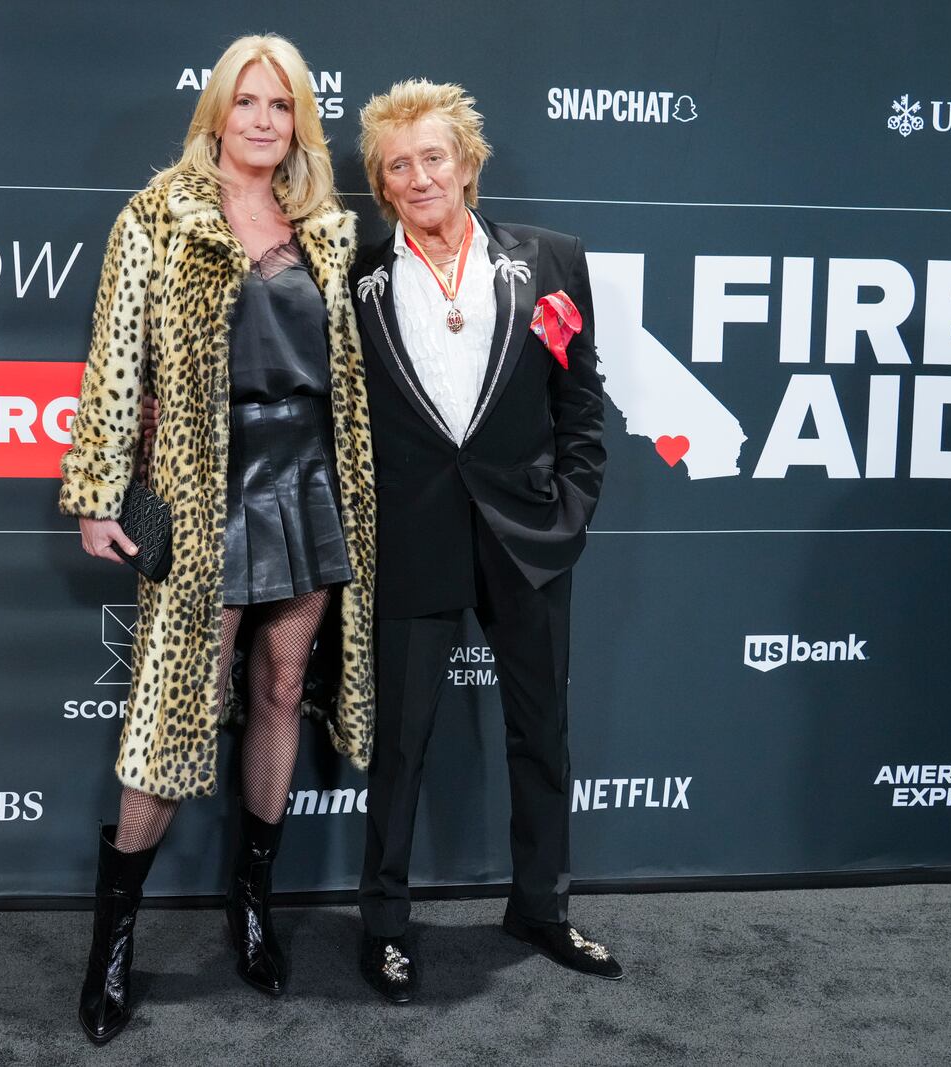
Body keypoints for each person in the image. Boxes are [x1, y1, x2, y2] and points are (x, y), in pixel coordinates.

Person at [58, 34, 375, 1045]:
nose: (260, 120)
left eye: (278, 105)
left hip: (309, 475)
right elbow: (114, 361)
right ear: (215, 113)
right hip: (205, 485)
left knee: (282, 685)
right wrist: (98, 489)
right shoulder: (154, 216)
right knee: (173, 707)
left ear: (298, 121)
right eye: (244, 101)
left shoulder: (326, 227)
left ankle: (251, 902)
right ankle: (114, 937)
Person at [349, 79, 619, 1003]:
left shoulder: (550, 259)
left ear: (466, 162)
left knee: (542, 733)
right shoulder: (355, 277)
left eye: (433, 157)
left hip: (528, 536)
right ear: (383, 186)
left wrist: (572, 507)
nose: (419, 177)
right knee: (402, 743)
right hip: (411, 539)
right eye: (398, 165)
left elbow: (580, 405)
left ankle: (540, 905)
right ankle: (384, 922)